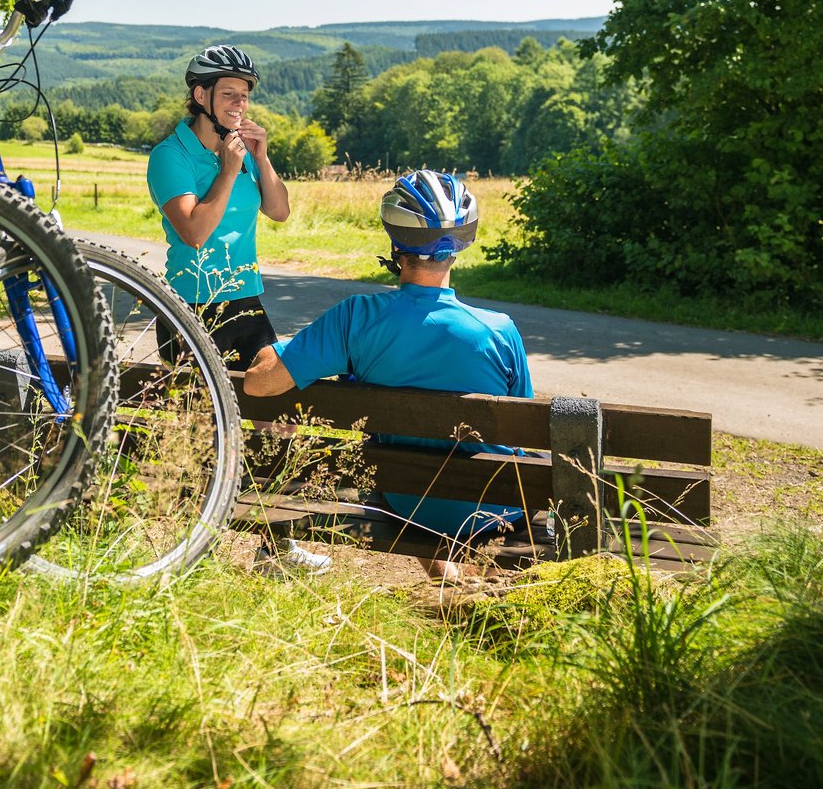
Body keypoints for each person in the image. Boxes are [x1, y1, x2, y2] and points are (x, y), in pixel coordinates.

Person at [243, 170, 533, 580]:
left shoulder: (357, 318)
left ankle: (447, 580)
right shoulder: (498, 330)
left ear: (396, 243)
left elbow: (259, 381)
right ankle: (474, 589)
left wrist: (285, 346)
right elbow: (519, 430)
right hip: (495, 509)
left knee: (408, 475)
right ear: (462, 244)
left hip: (408, 501)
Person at [146, 45, 291, 367]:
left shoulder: (242, 151)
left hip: (246, 298)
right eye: (229, 94)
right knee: (202, 417)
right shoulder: (171, 156)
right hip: (194, 305)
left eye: (244, 94)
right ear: (201, 95)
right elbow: (193, 232)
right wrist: (227, 170)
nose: (240, 103)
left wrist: (261, 156)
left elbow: (279, 212)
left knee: (278, 411)